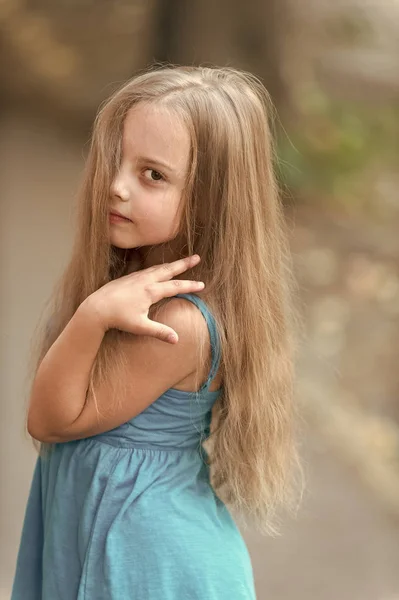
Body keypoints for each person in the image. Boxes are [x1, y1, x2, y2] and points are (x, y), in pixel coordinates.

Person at [11, 65, 300, 599]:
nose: (116, 186)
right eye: (114, 160)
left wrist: (93, 314)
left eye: (152, 175)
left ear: (212, 199)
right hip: (112, 534)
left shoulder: (176, 323)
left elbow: (49, 419)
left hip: (149, 561)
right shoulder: (135, 282)